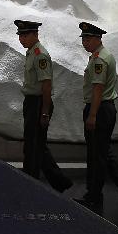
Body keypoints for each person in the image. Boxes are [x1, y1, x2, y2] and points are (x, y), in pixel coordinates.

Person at [74, 22, 118, 211]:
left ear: (97, 39)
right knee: (104, 152)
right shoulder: (100, 56)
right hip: (104, 108)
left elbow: (98, 89)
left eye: (87, 38)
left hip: (100, 109)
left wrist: (92, 115)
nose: (84, 42)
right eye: (83, 39)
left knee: (96, 156)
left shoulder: (99, 59)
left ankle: (93, 196)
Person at [15, 20, 71, 192]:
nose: (22, 39)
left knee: (33, 146)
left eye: (25, 35)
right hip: (32, 102)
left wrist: (45, 112)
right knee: (36, 144)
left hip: (39, 103)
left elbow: (46, 85)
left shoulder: (40, 55)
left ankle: (31, 182)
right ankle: (59, 182)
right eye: (20, 36)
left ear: (35, 34)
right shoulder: (32, 52)